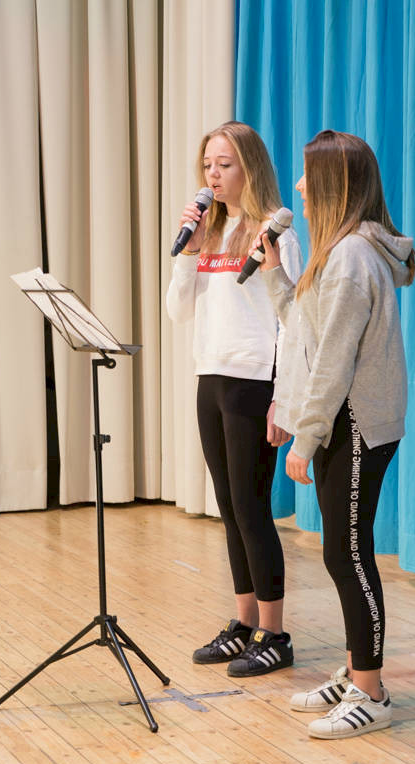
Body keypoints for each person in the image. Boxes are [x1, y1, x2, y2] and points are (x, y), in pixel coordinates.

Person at [258, 130, 415, 738]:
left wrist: (306, 436)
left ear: (332, 184)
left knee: (347, 554)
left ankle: (371, 693)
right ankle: (356, 673)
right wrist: (274, 276)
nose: (298, 186)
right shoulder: (339, 251)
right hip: (342, 418)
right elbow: (305, 329)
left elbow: (333, 361)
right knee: (343, 551)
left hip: (355, 421)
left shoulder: (351, 255)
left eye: (306, 175)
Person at [166, 121, 304, 677]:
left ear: (250, 167)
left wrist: (284, 399)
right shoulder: (212, 233)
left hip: (254, 383)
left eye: (224, 164)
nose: (213, 175)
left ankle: (275, 633)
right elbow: (178, 312)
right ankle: (244, 623)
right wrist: (188, 252)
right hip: (212, 378)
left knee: (252, 509)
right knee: (228, 507)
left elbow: (292, 321)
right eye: (207, 165)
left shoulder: (276, 233)